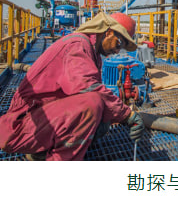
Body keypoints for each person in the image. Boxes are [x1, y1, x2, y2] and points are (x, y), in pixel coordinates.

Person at [0, 12, 145, 160]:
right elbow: (89, 88)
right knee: (91, 104)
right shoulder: (77, 45)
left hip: (44, 119)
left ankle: (41, 152)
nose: (116, 51)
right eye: (118, 44)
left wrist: (115, 113)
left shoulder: (92, 52)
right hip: (22, 126)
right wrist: (127, 114)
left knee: (102, 115)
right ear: (108, 33)